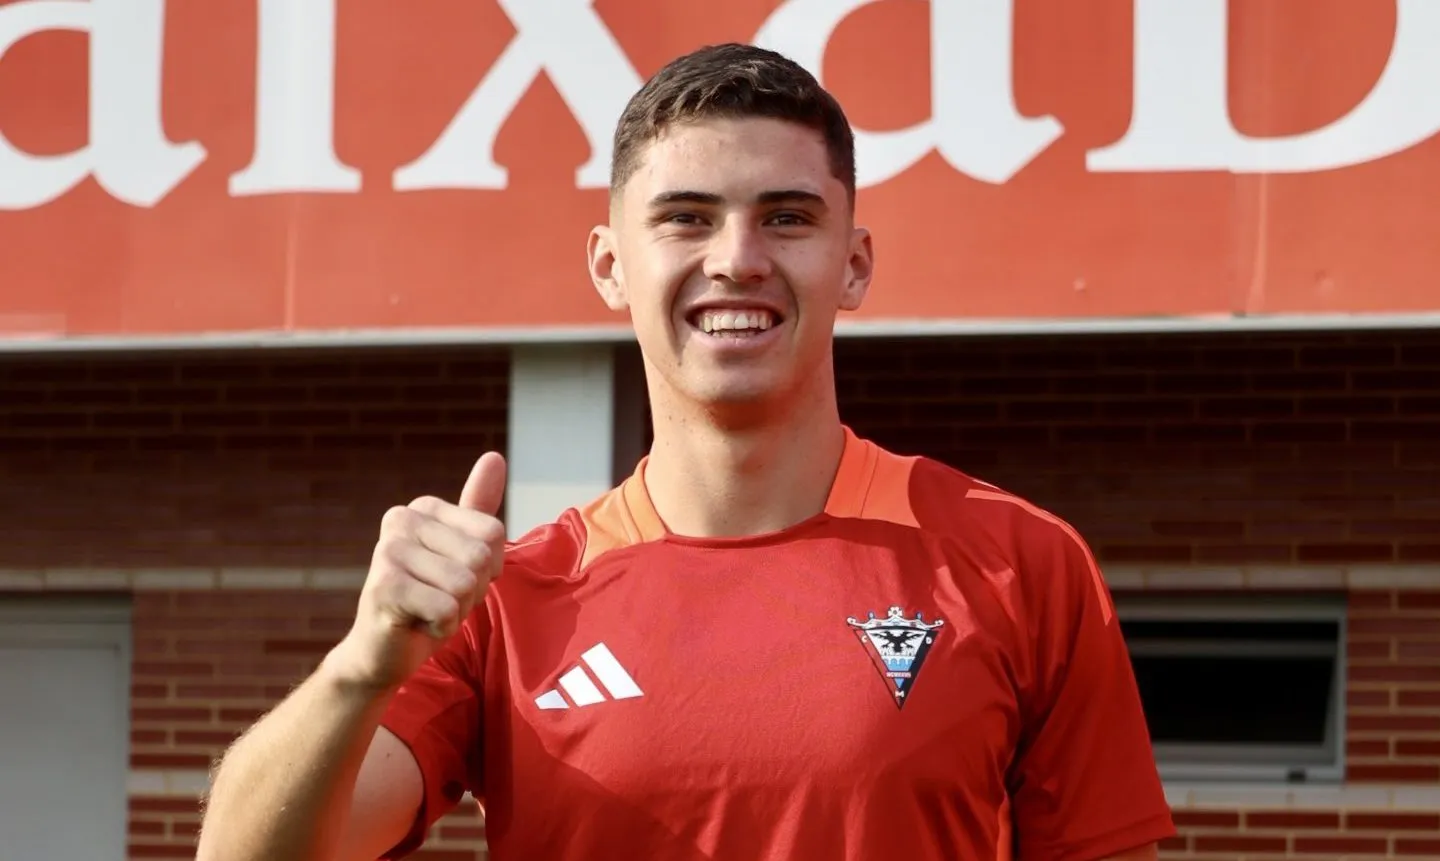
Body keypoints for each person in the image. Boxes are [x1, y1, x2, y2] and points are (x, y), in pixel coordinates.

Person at [196, 42, 1176, 861]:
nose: (736, 259)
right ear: (610, 265)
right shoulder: (507, 601)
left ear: (853, 264)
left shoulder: (1019, 563)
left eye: (786, 217)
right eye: (686, 218)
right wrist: (361, 667)